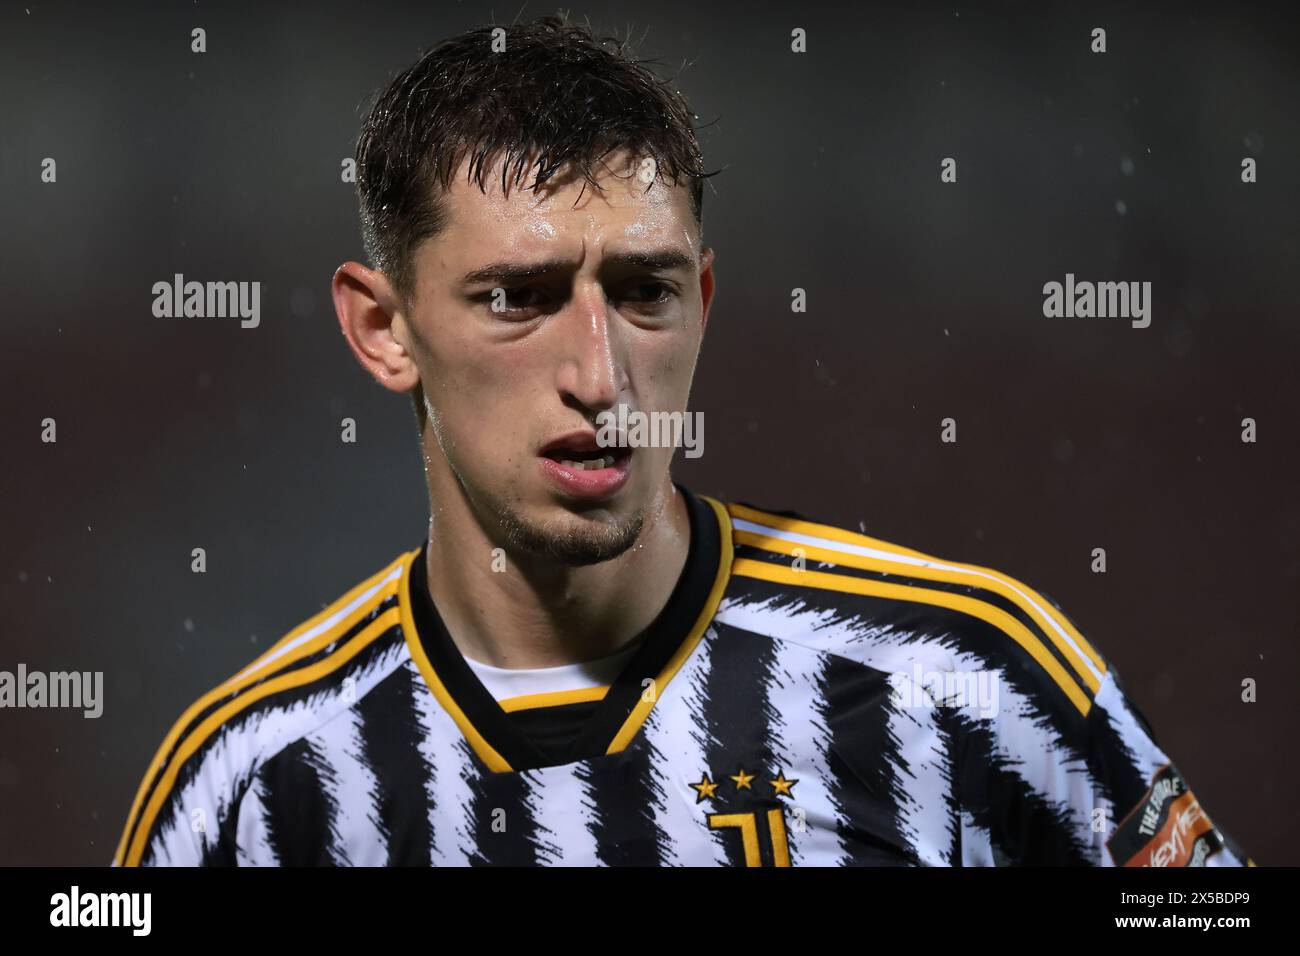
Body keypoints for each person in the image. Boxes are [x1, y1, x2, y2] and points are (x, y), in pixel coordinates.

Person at [115, 14, 1250, 867]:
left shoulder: (967, 683)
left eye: (645, 291)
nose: (601, 376)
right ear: (383, 326)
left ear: (703, 297)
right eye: (518, 297)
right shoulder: (245, 789)